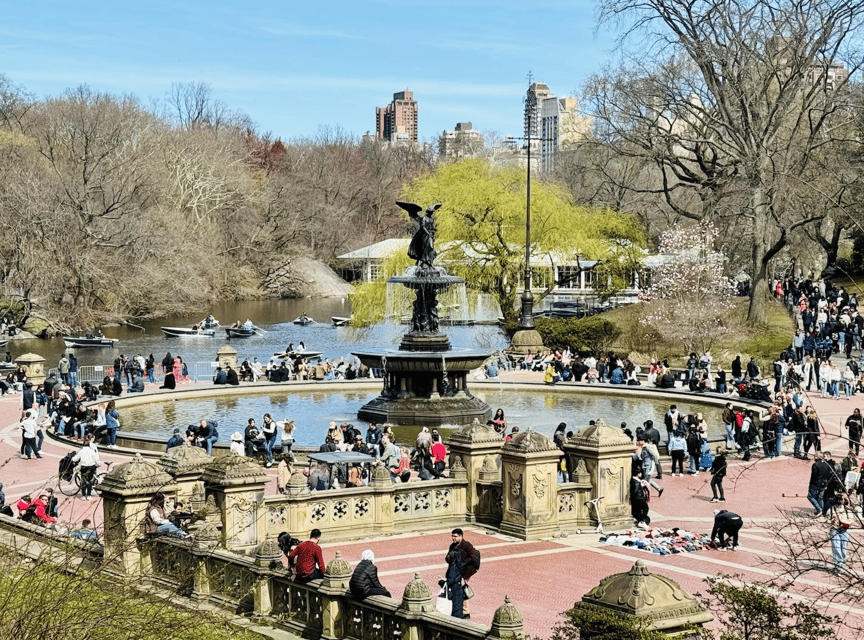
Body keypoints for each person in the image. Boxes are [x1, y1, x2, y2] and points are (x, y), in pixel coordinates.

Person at [444, 528, 479, 620]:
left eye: (455, 536)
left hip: (465, 571)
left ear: (461, 536)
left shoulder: (467, 545)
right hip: (455, 570)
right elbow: (448, 558)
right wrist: (448, 558)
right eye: (452, 536)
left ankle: (465, 611)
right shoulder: (452, 546)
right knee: (459, 589)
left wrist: (463, 562)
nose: (453, 538)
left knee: (462, 589)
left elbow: (474, 558)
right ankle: (463, 610)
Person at [72, 434, 100, 501]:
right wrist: (98, 463)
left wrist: (73, 459)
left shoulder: (81, 451)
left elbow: (75, 458)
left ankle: (83, 495)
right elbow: (96, 458)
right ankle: (89, 495)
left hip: (84, 467)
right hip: (91, 466)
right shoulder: (91, 451)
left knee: (83, 481)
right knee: (90, 481)